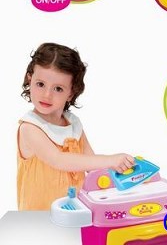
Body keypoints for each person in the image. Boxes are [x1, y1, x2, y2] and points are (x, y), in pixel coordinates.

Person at [17, 43, 135, 210]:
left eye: (58, 88)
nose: (47, 95)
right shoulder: (29, 128)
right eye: (40, 84)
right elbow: (59, 160)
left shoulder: (73, 125)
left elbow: (92, 164)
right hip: (38, 218)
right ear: (30, 79)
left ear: (71, 93)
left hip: (75, 213)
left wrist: (121, 176)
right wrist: (111, 160)